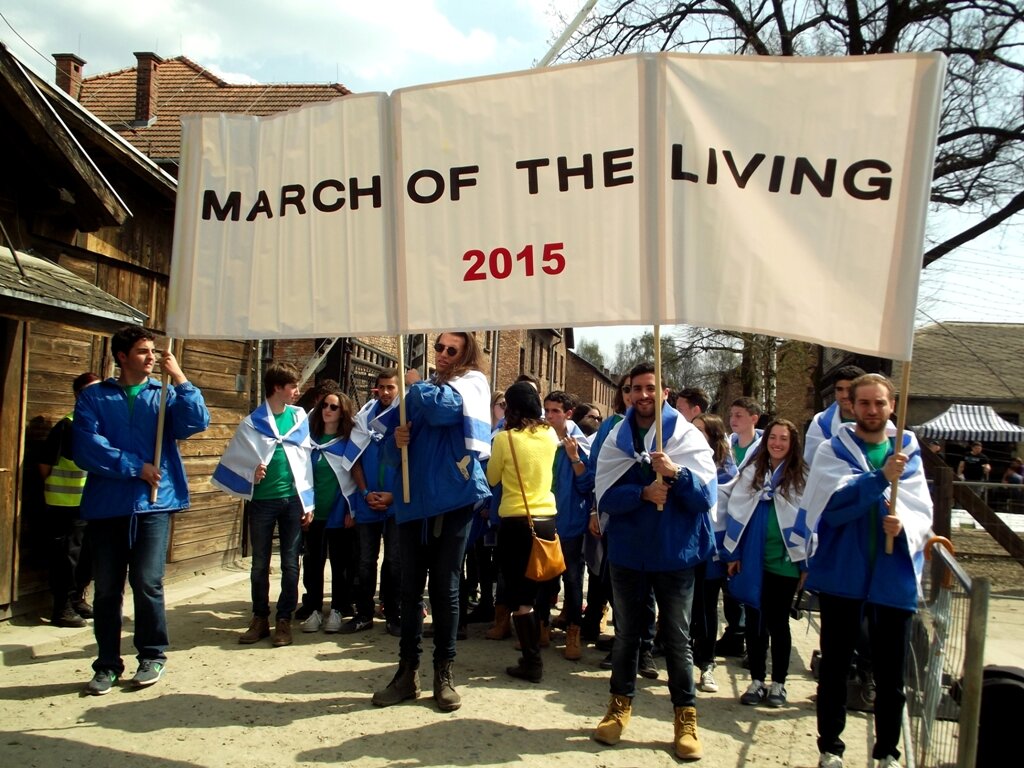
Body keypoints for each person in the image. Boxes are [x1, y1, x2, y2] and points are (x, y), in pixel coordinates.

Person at [800, 373, 933, 768]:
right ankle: (831, 748)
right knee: (836, 667)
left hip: (892, 573)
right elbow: (832, 508)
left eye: (880, 403)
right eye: (864, 403)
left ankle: (887, 751)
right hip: (844, 571)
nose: (872, 410)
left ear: (892, 405)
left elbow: (921, 505)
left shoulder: (906, 447)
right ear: (851, 406)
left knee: (891, 674)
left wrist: (903, 523)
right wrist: (879, 479)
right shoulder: (832, 448)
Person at [73, 327, 209, 694]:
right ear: (121, 357)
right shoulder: (94, 398)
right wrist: (135, 466)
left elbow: (197, 421)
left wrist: (179, 377)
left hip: (154, 503)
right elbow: (87, 446)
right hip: (108, 506)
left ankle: (152, 654)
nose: (151, 357)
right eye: (142, 351)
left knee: (148, 582)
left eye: (153, 351)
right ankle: (106, 663)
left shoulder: (162, 395)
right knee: (106, 590)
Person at [592, 362, 717, 761]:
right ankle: (618, 706)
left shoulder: (684, 437)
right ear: (627, 394)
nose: (642, 395)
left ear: (664, 392)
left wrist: (677, 475)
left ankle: (685, 718)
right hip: (629, 554)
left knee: (678, 639)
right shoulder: (616, 438)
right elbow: (605, 497)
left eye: (650, 388)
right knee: (628, 634)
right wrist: (643, 494)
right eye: (635, 389)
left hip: (675, 553)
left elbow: (705, 499)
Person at [372, 331, 491, 713]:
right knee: (409, 590)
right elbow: (390, 454)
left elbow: (443, 410)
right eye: (438, 347)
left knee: (446, 587)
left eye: (450, 350)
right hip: (411, 501)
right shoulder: (424, 391)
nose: (441, 354)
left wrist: (413, 384)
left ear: (465, 354)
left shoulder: (470, 385)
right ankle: (407, 673)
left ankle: (444, 672)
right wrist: (398, 440)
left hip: (452, 500)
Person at [213, 362, 314, 648]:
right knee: (259, 564)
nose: (297, 391)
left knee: (291, 563)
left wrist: (309, 502)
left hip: (293, 501)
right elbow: (237, 458)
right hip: (262, 502)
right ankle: (259, 618)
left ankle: (284, 619)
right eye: (292, 386)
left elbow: (304, 461)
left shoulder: (298, 417)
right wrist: (251, 473)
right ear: (277, 388)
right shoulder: (252, 423)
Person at [721, 418, 808, 708]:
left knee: (778, 623)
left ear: (792, 443)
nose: (777, 443)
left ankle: (779, 684)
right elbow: (735, 505)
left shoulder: (801, 476)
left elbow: (809, 516)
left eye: (784, 439)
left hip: (785, 561)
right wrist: (733, 553)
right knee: (755, 622)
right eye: (773, 438)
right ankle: (757, 680)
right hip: (752, 557)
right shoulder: (752, 471)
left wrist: (805, 563)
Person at [485, 382, 560, 682]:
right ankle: (532, 654)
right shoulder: (550, 434)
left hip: (517, 520)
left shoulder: (505, 439)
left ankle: (532, 661)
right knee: (535, 586)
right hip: (546, 518)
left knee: (519, 595)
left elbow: (492, 477)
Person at [298, 385, 369, 634]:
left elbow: (352, 478)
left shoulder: (348, 443)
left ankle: (338, 609)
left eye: (333, 407)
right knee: (313, 563)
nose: (327, 410)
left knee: (341, 565)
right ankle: (315, 610)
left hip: (341, 513)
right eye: (324, 406)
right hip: (316, 513)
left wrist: (353, 510)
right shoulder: (310, 442)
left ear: (342, 413)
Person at [40, 371, 100, 628]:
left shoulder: (101, 424)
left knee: (88, 557)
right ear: (77, 395)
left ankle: (77, 599)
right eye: (90, 391)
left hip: (93, 505)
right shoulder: (68, 425)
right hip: (66, 505)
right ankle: (61, 609)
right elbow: (45, 466)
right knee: (67, 558)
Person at [541, 390, 593, 661]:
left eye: (555, 412)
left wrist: (574, 458)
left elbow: (587, 484)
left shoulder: (580, 444)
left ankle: (574, 630)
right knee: (543, 575)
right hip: (544, 517)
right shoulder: (542, 438)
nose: (549, 416)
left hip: (571, 520)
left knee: (572, 578)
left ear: (568, 414)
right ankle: (542, 626)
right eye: (547, 410)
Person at [350, 370, 403, 637]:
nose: (385, 393)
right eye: (381, 388)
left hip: (395, 503)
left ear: (398, 389)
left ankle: (393, 612)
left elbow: (414, 462)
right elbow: (354, 460)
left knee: (394, 561)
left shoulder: (404, 418)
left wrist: (394, 494)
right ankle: (363, 613)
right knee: (365, 560)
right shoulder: (363, 419)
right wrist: (365, 491)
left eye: (390, 388)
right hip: (368, 501)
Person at [690, 413, 738, 693]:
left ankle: (706, 663)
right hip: (687, 546)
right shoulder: (685, 461)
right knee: (683, 607)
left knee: (707, 608)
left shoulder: (729, 473)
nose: (694, 435)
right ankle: (681, 660)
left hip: (713, 550)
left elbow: (734, 513)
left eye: (700, 431)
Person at [803, 366, 865, 465]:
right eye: (840, 389)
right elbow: (811, 465)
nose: (845, 395)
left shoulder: (875, 423)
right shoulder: (820, 424)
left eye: (850, 389)